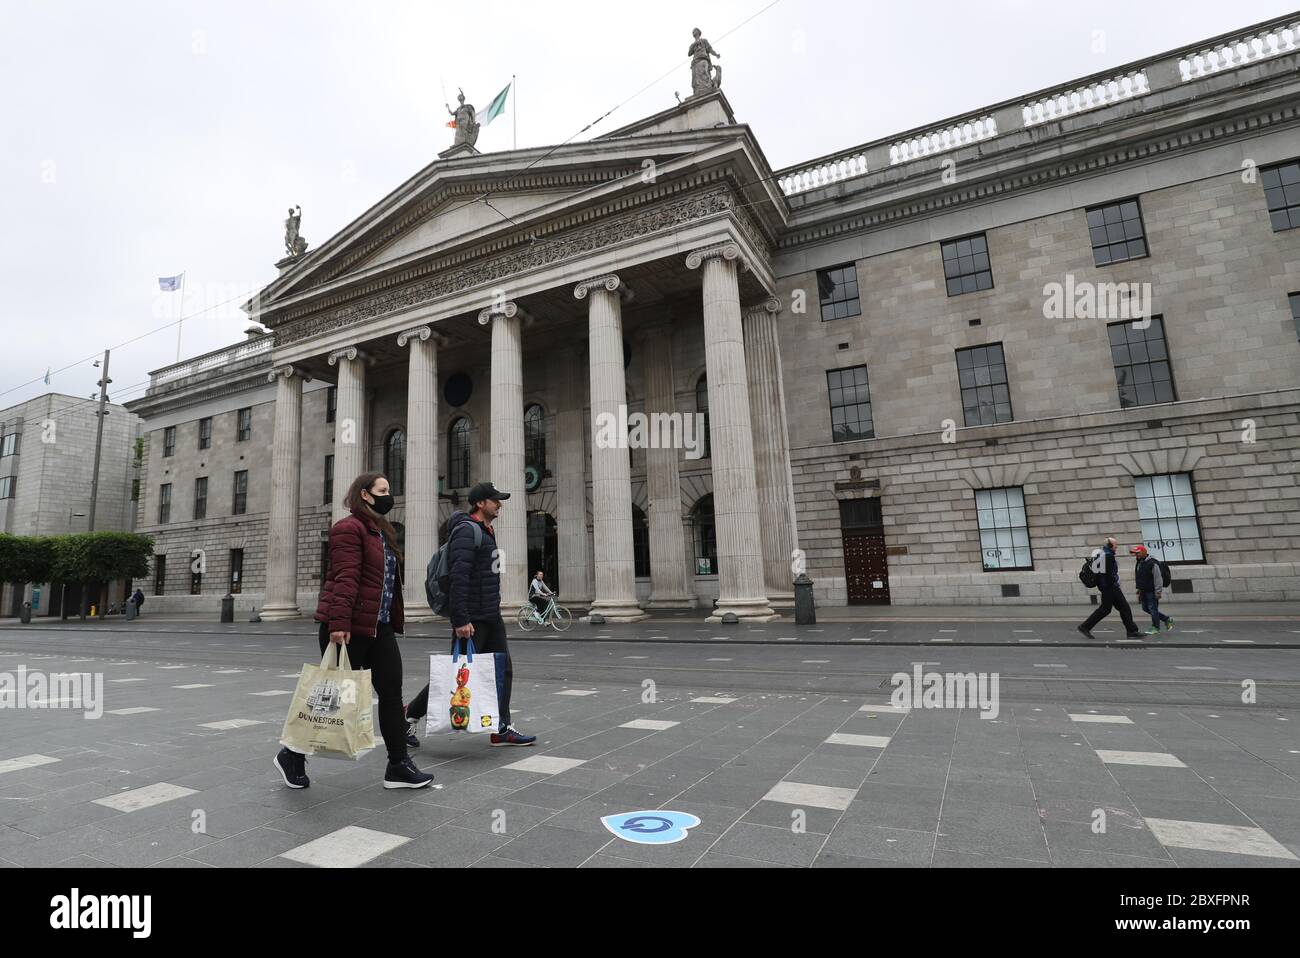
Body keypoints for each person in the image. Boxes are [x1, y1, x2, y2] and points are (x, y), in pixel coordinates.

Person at [273, 472, 433, 790]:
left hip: (379, 628)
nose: (390, 495)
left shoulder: (381, 532)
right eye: (383, 490)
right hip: (350, 629)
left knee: (390, 694)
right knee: (329, 700)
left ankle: (398, 765)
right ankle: (292, 755)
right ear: (365, 494)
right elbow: (346, 577)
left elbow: (386, 584)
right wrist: (340, 625)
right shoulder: (348, 529)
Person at [404, 481, 536, 747]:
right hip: (472, 618)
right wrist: (460, 619)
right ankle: (408, 715)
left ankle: (501, 728)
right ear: (480, 503)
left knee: (503, 670)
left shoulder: (486, 531)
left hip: (490, 614)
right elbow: (459, 577)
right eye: (495, 500)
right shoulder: (466, 531)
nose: (500, 504)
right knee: (459, 674)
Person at [1077, 537, 1142, 640]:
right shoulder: (1108, 557)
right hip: (1110, 588)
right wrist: (1113, 583)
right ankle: (1084, 627)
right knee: (1116, 608)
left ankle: (1132, 631)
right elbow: (1106, 574)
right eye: (1115, 545)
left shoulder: (1103, 555)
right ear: (1110, 546)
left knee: (1113, 609)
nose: (1117, 547)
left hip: (1107, 587)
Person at [1131, 544, 1174, 635]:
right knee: (1145, 608)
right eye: (1135, 553)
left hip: (1151, 591)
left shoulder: (1152, 563)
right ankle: (1166, 619)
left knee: (1152, 608)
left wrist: (1158, 592)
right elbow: (1139, 576)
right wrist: (1139, 589)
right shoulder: (1139, 562)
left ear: (1143, 552)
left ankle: (1155, 627)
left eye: (1138, 553)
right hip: (1143, 590)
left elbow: (1158, 578)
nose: (1136, 555)